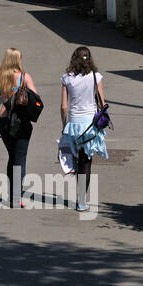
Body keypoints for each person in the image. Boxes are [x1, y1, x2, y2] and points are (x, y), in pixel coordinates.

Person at [58, 46, 108, 212]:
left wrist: (65, 125)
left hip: (74, 124)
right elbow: (102, 101)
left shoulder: (67, 78)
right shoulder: (95, 76)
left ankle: (78, 191)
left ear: (74, 58)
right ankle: (81, 200)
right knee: (86, 162)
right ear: (89, 58)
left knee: (76, 159)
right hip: (90, 125)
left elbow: (64, 106)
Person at [0, 48, 39, 208]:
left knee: (12, 157)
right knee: (20, 158)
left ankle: (11, 194)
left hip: (4, 122)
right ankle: (17, 196)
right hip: (21, 123)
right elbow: (35, 98)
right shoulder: (24, 77)